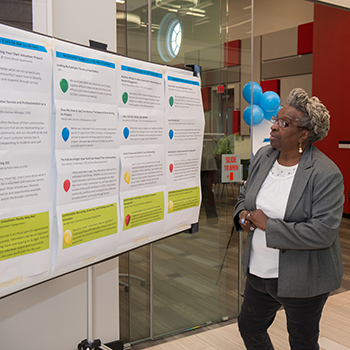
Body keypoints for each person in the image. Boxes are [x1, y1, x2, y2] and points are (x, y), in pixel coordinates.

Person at [233, 88, 344, 350]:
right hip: (259, 271)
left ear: (304, 134)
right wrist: (242, 215)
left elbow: (322, 232)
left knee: (302, 341)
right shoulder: (263, 156)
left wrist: (267, 225)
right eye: (275, 120)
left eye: (284, 123)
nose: (273, 127)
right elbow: (245, 195)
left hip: (304, 276)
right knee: (249, 327)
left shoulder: (326, 174)